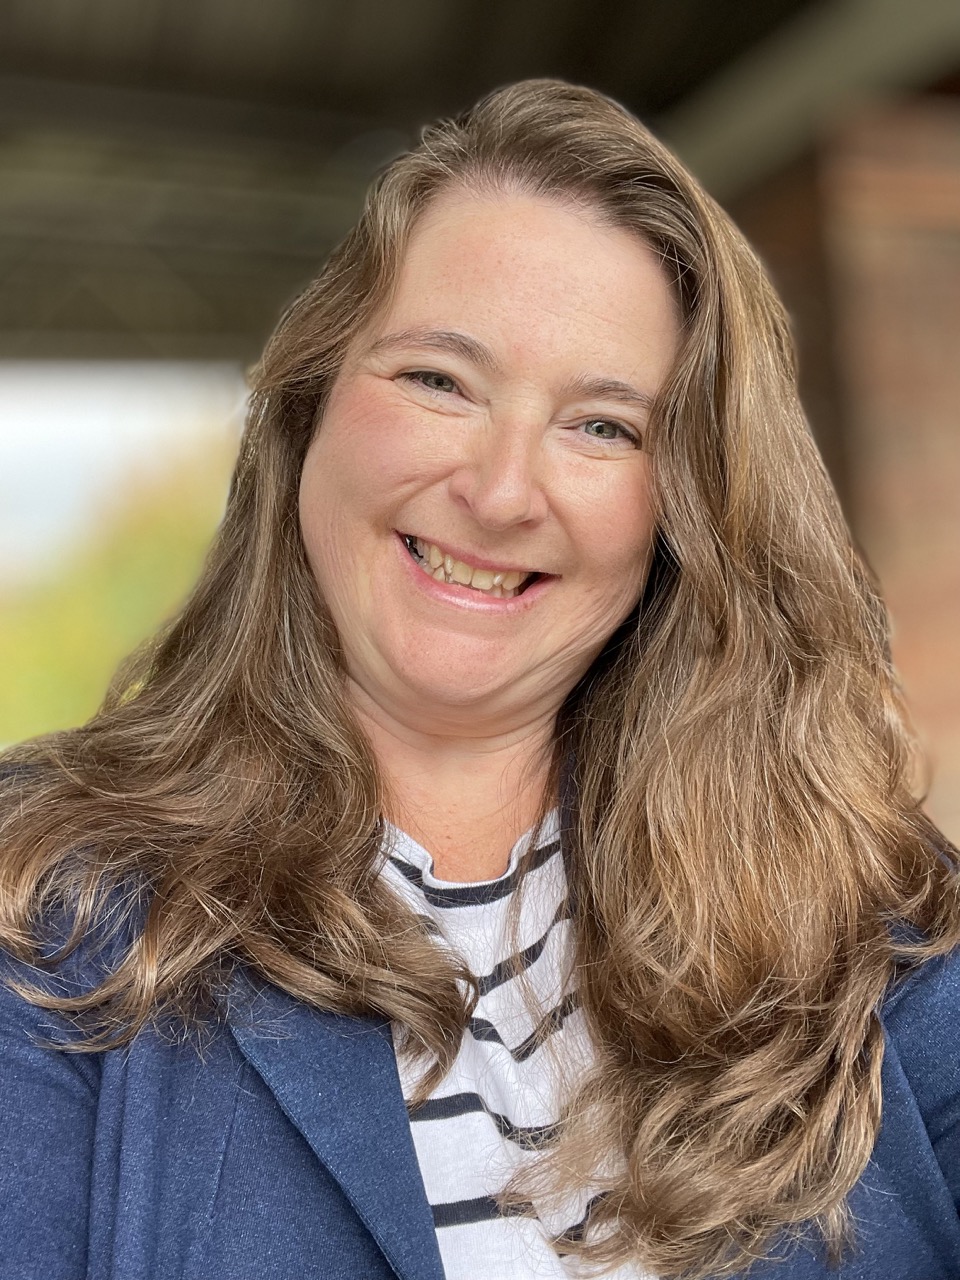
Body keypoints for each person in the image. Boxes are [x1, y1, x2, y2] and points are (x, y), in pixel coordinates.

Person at [1, 78, 959, 1280]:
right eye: (439, 380)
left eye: (604, 426)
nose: (503, 492)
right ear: (307, 408)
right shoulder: (42, 897)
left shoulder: (880, 922)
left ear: (688, 511)